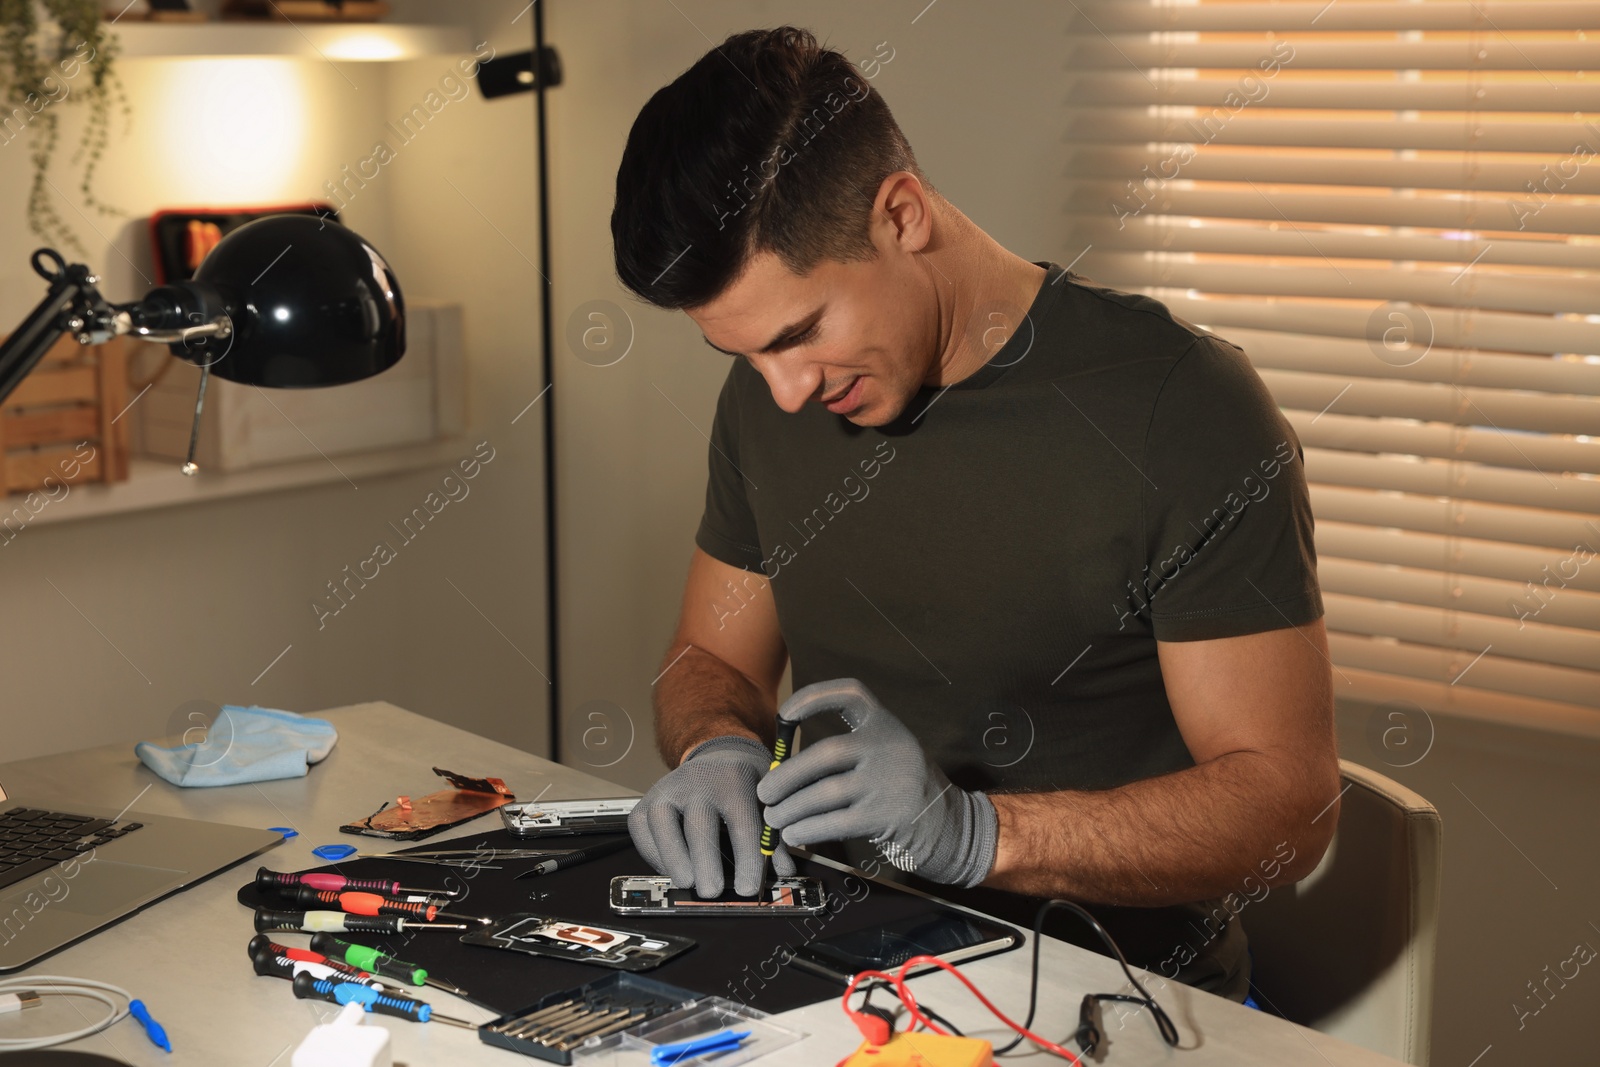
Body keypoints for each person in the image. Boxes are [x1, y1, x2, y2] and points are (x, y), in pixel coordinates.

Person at [609, 26, 1338, 1002]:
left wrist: (974, 834)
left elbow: (1286, 807)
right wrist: (718, 745)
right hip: (835, 980)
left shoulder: (1180, 410)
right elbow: (712, 659)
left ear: (901, 214)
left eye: (798, 334)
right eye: (740, 356)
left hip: (1114, 1003)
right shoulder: (776, 398)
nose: (781, 392)